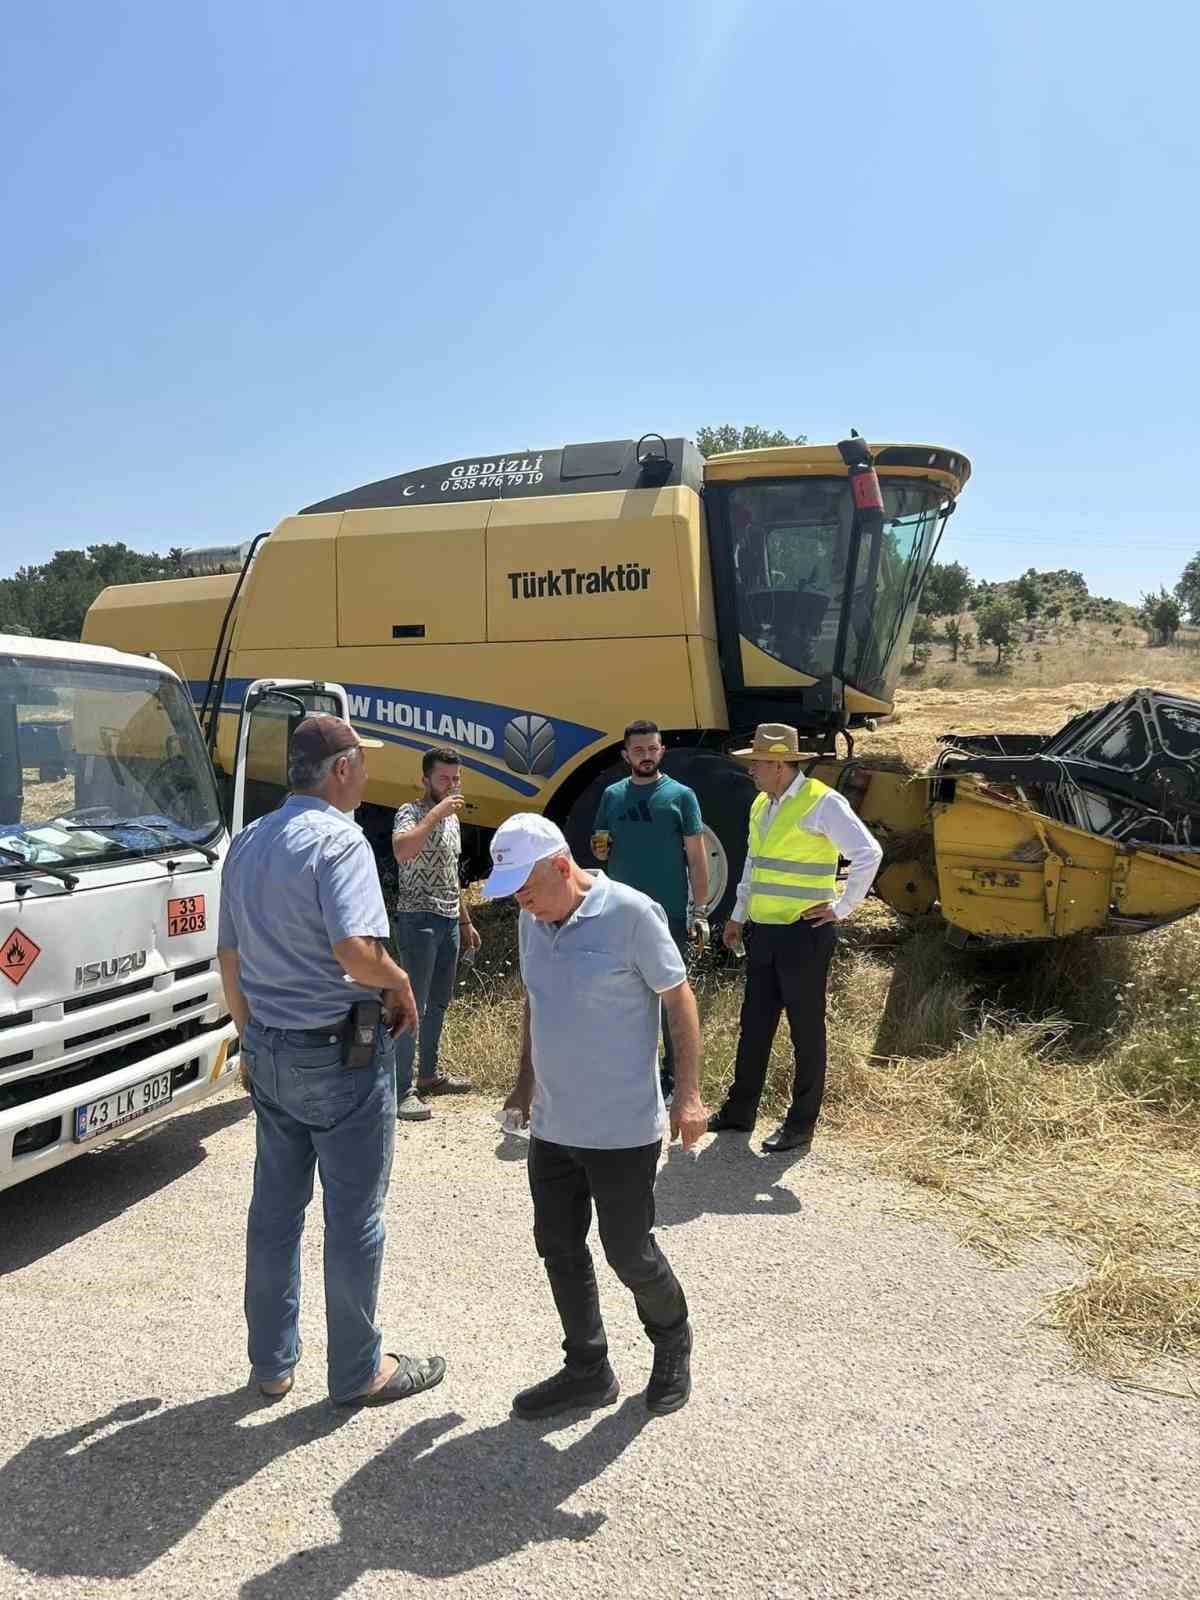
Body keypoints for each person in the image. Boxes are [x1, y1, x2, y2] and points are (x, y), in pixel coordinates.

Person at [217, 714, 446, 1406]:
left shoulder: (249, 840)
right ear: (341, 769)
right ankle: (357, 1372)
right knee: (354, 1217)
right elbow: (354, 950)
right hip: (337, 1053)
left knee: (275, 1212)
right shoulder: (340, 840)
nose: (367, 776)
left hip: (270, 1045)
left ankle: (272, 1365)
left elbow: (229, 956)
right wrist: (399, 982)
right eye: (362, 764)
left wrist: (250, 1038)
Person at [490, 813, 707, 1419]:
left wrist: (688, 1094)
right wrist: (524, 1083)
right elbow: (536, 1001)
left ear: (562, 867)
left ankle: (672, 1343)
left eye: (527, 891)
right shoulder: (534, 919)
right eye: (516, 897)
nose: (524, 906)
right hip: (554, 1125)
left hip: (621, 1129)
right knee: (558, 1246)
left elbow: (679, 999)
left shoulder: (632, 914)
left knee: (629, 1252)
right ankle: (588, 1368)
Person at [708, 721, 883, 1154]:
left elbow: (868, 853)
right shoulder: (761, 804)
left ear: (781, 765)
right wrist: (737, 916)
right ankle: (740, 1111)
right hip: (764, 932)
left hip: (805, 934)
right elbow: (753, 864)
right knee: (754, 1025)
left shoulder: (823, 802)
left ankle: (800, 1124)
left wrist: (841, 907)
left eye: (757, 763)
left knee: (805, 1032)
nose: (751, 770)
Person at [590, 720, 709, 1100]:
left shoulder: (681, 796)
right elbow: (600, 846)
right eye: (638, 750)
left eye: (652, 749)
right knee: (621, 997)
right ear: (626, 755)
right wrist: (599, 848)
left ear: (662, 751)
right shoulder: (611, 795)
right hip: (616, 914)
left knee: (671, 999)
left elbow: (697, 857)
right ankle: (631, 1073)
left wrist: (700, 910)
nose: (646, 756)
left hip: (666, 914)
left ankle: (673, 1080)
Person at [390, 748, 481, 1120]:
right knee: (413, 1004)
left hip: (448, 919)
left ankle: (428, 1075)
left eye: (456, 778)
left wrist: (466, 921)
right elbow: (402, 850)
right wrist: (434, 815)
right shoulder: (410, 812)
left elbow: (450, 873)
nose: (452, 784)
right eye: (444, 778)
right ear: (425, 779)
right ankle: (401, 1090)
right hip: (418, 919)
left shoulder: (453, 819)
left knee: (439, 1002)